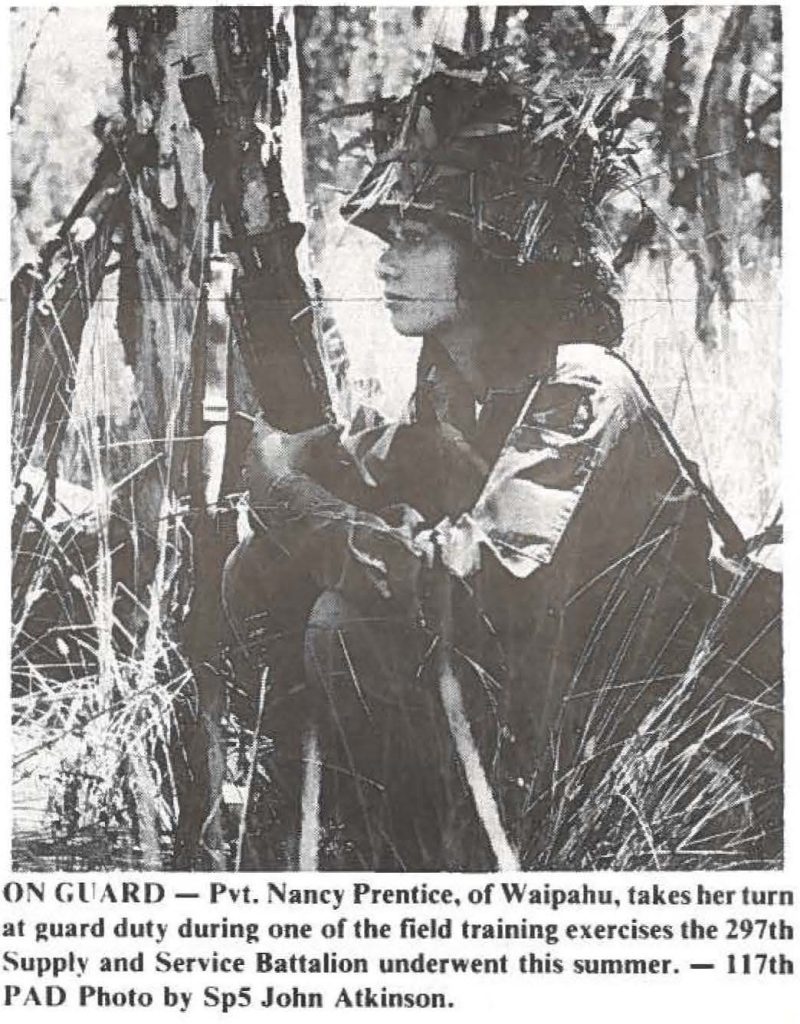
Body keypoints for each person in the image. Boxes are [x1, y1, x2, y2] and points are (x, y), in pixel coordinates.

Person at [222, 64, 779, 871]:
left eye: (416, 241)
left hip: (675, 765)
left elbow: (465, 581)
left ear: (491, 254)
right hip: (544, 729)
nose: (385, 265)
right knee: (257, 569)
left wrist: (290, 492)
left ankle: (414, 867)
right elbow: (390, 504)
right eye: (389, 242)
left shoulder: (582, 384)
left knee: (344, 621)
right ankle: (322, 835)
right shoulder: (451, 391)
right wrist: (307, 476)